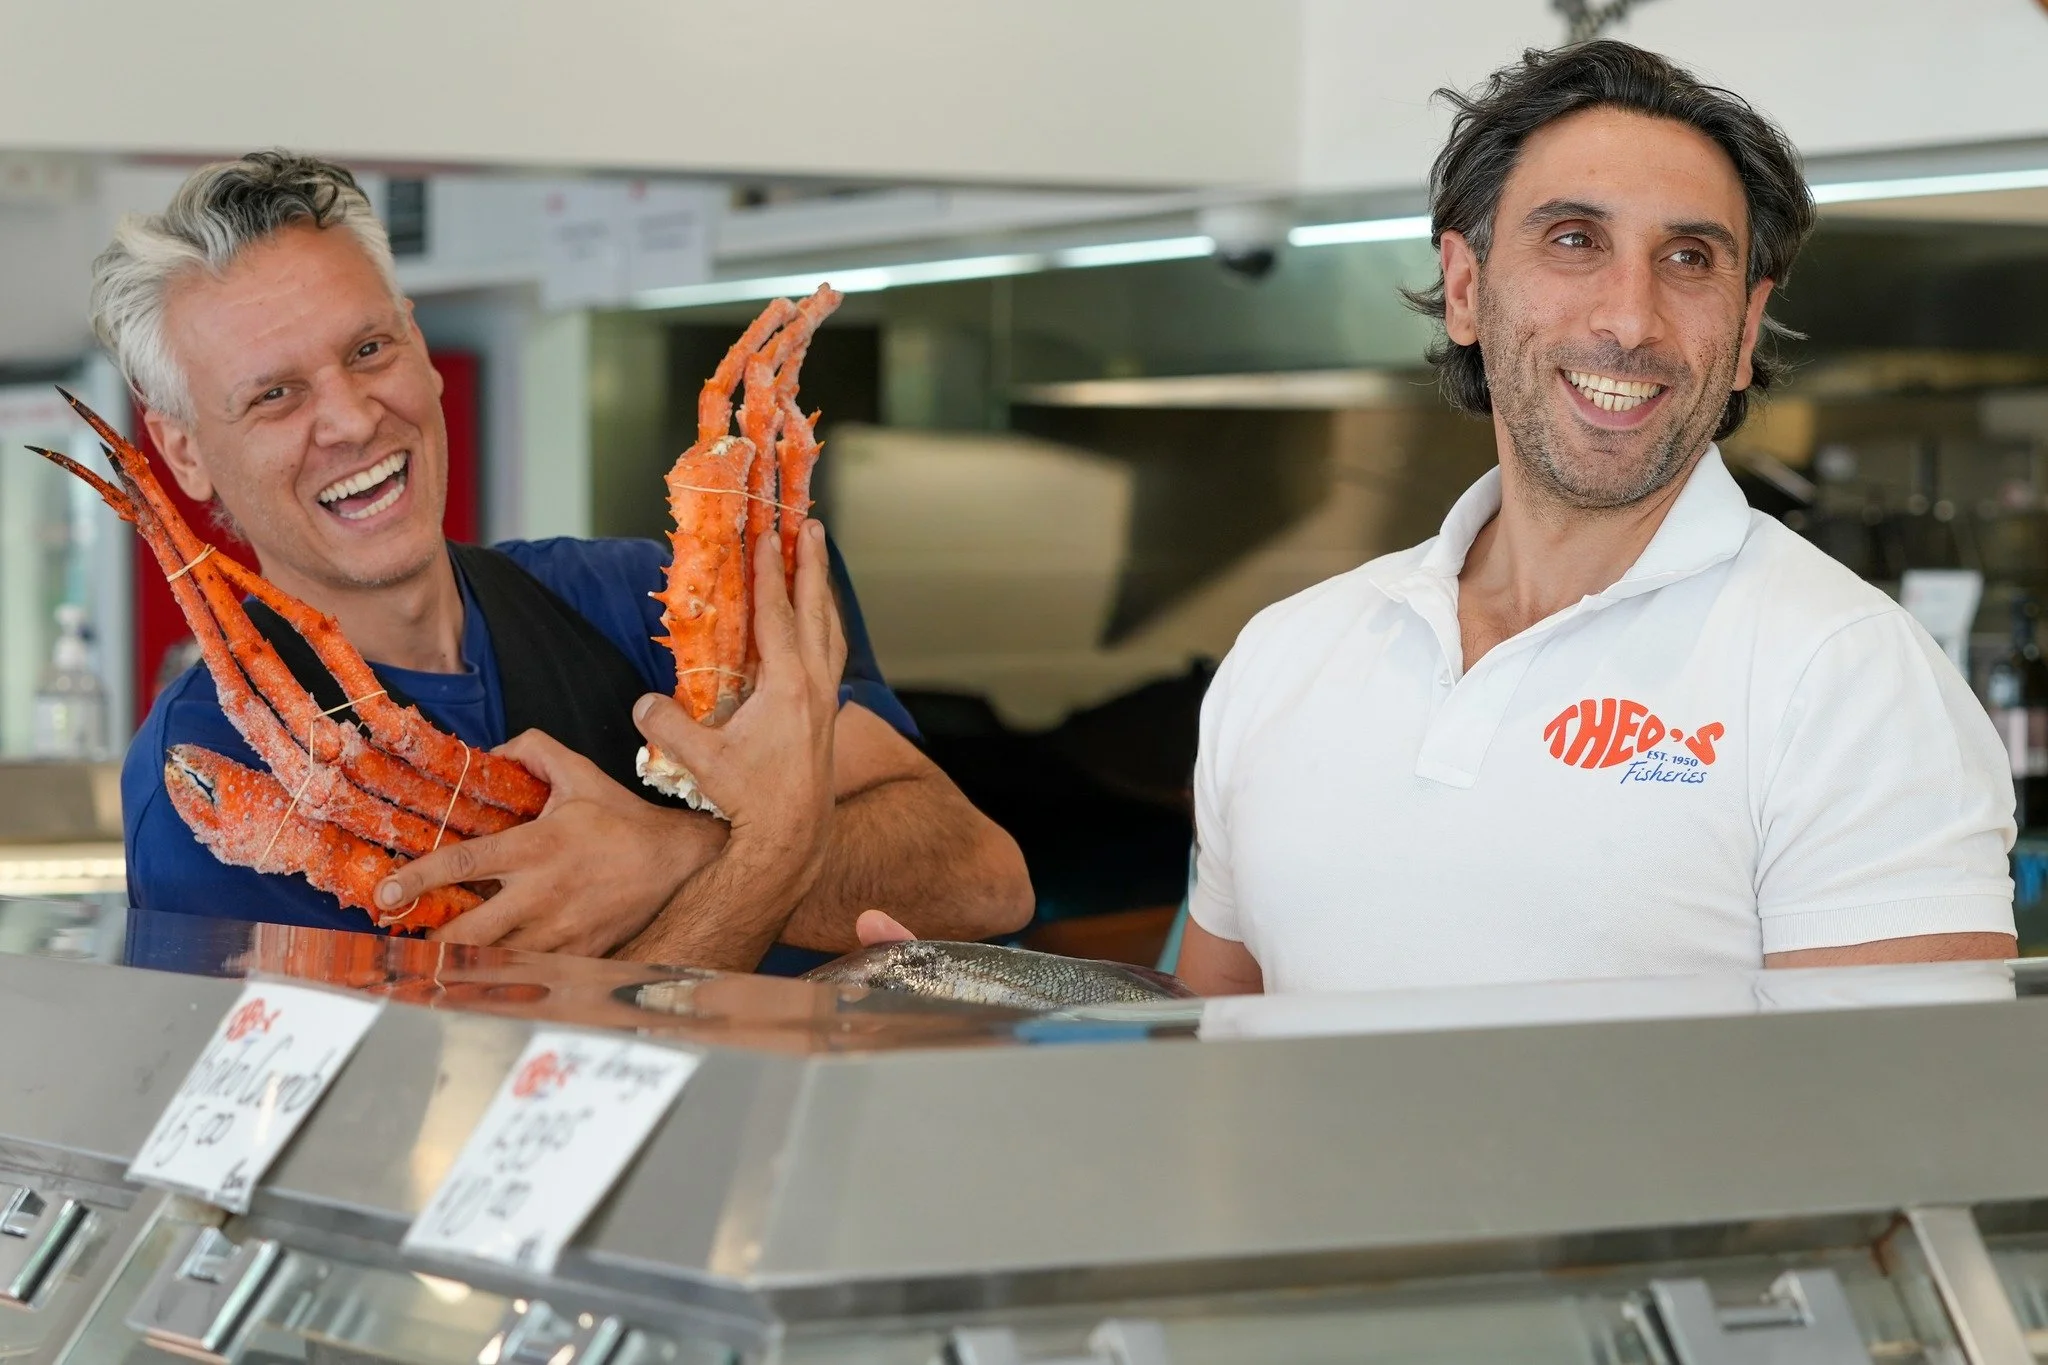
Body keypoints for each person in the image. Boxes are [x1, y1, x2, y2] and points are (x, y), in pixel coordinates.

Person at [1179, 42, 2018, 996]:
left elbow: (1908, 1123)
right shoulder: (1288, 654)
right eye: (1574, 239)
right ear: (1465, 289)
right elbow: (1213, 1067)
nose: (1631, 319)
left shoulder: (1848, 677)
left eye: (1689, 258)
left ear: (1745, 331)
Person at [98, 151, 1033, 971]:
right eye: (274, 395)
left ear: (419, 348)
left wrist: (664, 854)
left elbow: (986, 880)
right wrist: (765, 846)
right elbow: (463, 1131)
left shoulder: (642, 599)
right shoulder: (215, 776)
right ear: (182, 451)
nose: (348, 418)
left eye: (370, 348)